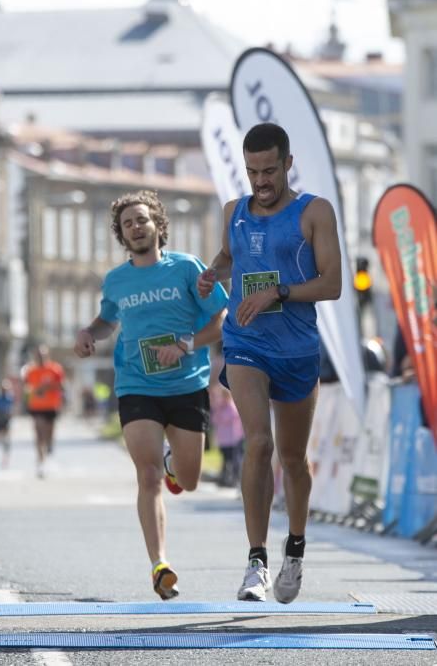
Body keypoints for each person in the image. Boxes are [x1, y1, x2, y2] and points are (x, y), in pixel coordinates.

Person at [197, 122, 342, 603]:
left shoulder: (314, 211)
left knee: (293, 459)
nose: (260, 181)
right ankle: (255, 561)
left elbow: (332, 284)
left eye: (269, 171)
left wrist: (277, 291)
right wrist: (210, 275)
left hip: (297, 350)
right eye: (252, 171)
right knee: (258, 443)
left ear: (287, 164)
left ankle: (294, 550)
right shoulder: (233, 211)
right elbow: (226, 258)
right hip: (246, 345)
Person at [74, 190, 227, 601]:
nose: (136, 227)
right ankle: (160, 564)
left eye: (142, 219)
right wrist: (90, 333)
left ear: (158, 224)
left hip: (186, 385)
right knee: (147, 476)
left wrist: (186, 344)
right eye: (127, 224)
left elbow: (220, 319)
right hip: (136, 385)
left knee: (190, 480)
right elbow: (107, 320)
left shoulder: (186, 269)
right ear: (121, 235)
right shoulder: (117, 281)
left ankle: (174, 466)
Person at [21, 344, 65, 478]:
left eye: (43, 355)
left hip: (51, 406)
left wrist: (47, 388)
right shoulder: (31, 370)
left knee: (48, 433)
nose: (40, 357)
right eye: (38, 355)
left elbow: (61, 386)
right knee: (38, 432)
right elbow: (27, 386)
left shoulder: (55, 369)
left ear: (47, 355)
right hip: (36, 406)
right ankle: (40, 462)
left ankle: (49, 448)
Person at [210, 384, 244, 487]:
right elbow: (214, 420)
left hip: (232, 439)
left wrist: (221, 416)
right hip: (223, 439)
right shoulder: (220, 408)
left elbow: (231, 417)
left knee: (233, 460)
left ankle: (234, 478)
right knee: (225, 460)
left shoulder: (231, 406)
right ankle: (224, 477)